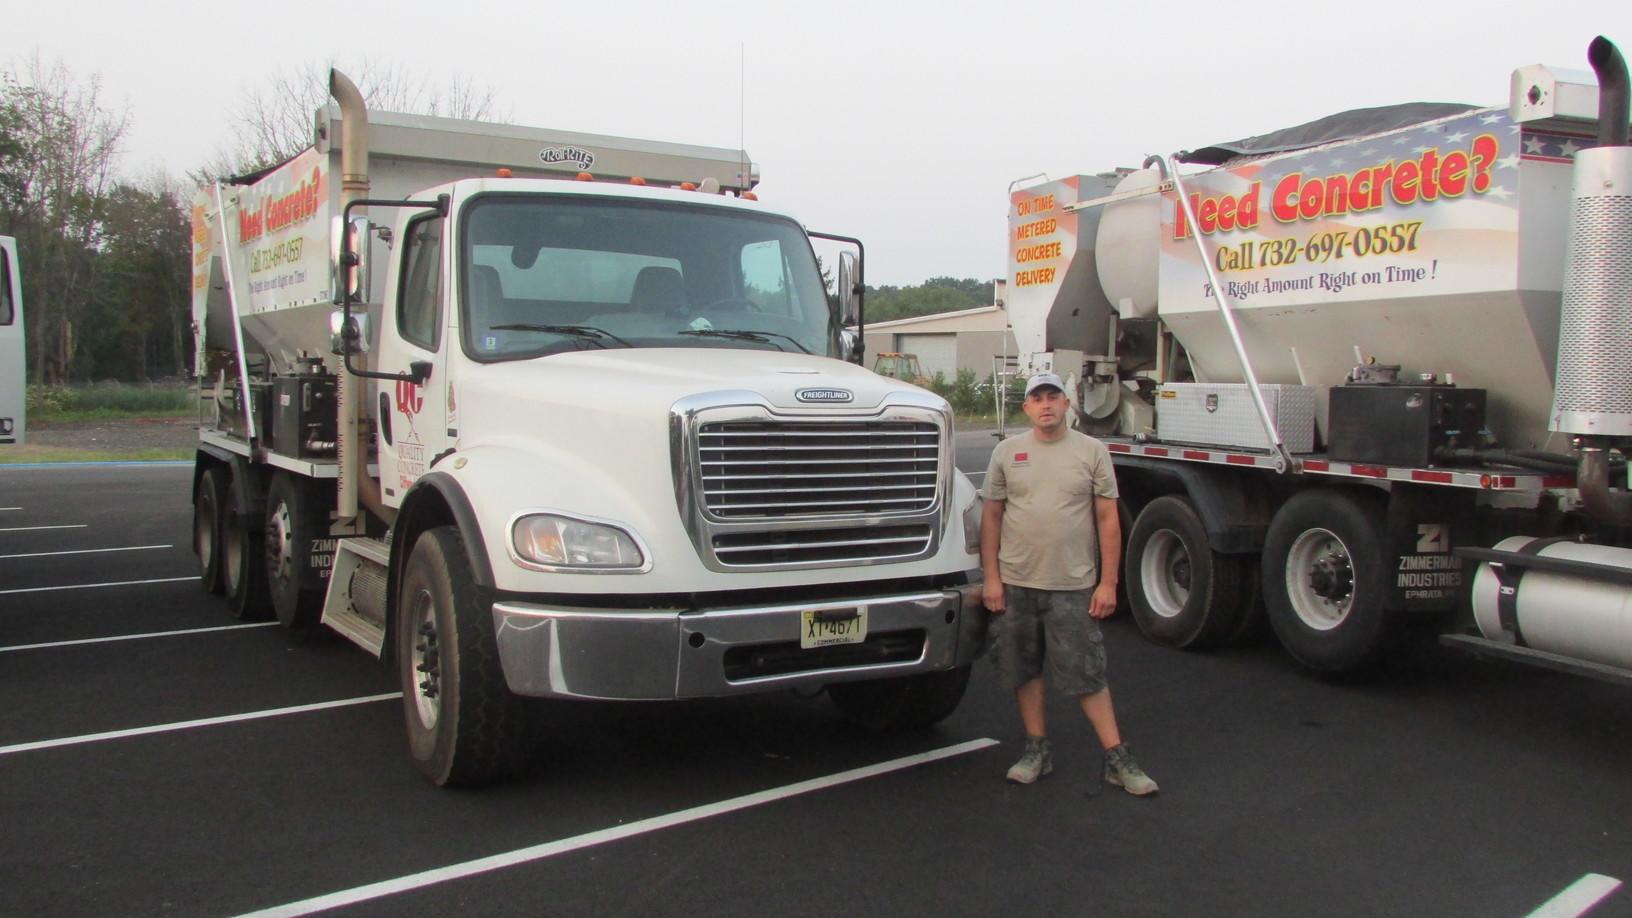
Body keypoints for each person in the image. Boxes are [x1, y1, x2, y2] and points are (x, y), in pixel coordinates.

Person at [981, 372, 1158, 795]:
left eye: (1053, 396)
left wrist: (1107, 583)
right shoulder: (1007, 453)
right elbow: (991, 517)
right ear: (1025, 408)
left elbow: (1107, 520)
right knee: (1023, 669)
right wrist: (991, 579)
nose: (1045, 405)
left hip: (1073, 585)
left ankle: (1118, 758)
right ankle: (1036, 750)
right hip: (1016, 583)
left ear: (1067, 404)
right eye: (1036, 398)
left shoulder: (1092, 452)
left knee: (1087, 673)